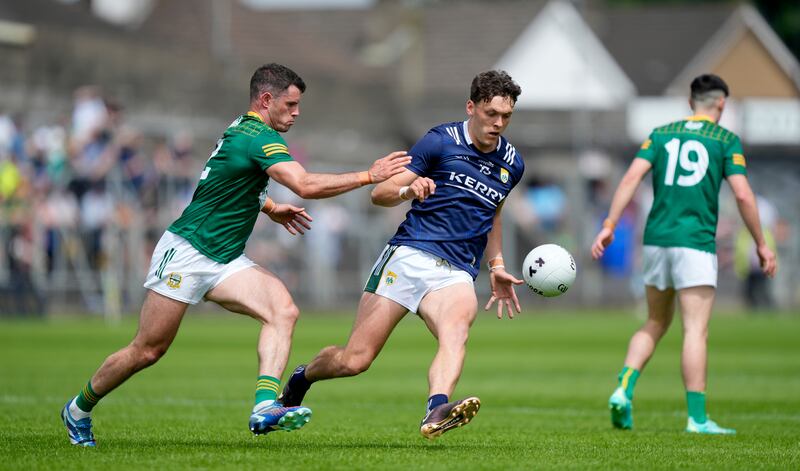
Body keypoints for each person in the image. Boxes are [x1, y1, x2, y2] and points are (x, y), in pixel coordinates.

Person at [60, 63, 411, 447]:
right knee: (147, 350)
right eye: (291, 105)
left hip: (225, 259)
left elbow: (227, 180)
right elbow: (306, 184)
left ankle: (264, 407)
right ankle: (78, 409)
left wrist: (269, 206)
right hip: (187, 252)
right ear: (266, 100)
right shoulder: (258, 137)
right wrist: (368, 176)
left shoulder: (243, 129)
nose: (296, 113)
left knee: (283, 311)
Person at [278, 70, 525, 439]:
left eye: (506, 116)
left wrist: (498, 265)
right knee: (355, 360)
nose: (498, 123)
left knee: (456, 332)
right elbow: (379, 194)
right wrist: (411, 188)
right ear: (471, 107)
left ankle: (436, 409)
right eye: (491, 113)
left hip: (457, 271)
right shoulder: (440, 141)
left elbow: (495, 213)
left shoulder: (512, 163)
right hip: (410, 254)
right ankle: (302, 377)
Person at [590, 74, 777, 435]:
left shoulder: (660, 134)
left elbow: (630, 178)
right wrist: (762, 244)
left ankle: (624, 388)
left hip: (656, 240)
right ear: (721, 104)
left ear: (690, 102)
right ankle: (698, 419)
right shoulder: (725, 140)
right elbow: (742, 195)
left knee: (655, 321)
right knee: (695, 330)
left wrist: (610, 224)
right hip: (695, 242)